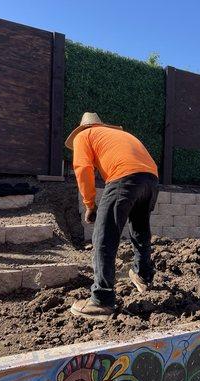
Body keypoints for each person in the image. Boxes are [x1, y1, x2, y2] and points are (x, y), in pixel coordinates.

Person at [66, 112, 159, 319]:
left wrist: (90, 204)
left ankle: (101, 299)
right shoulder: (117, 136)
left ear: (83, 127)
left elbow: (82, 169)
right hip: (151, 180)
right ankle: (143, 275)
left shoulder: (84, 135)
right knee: (140, 230)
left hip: (123, 178)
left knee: (104, 236)